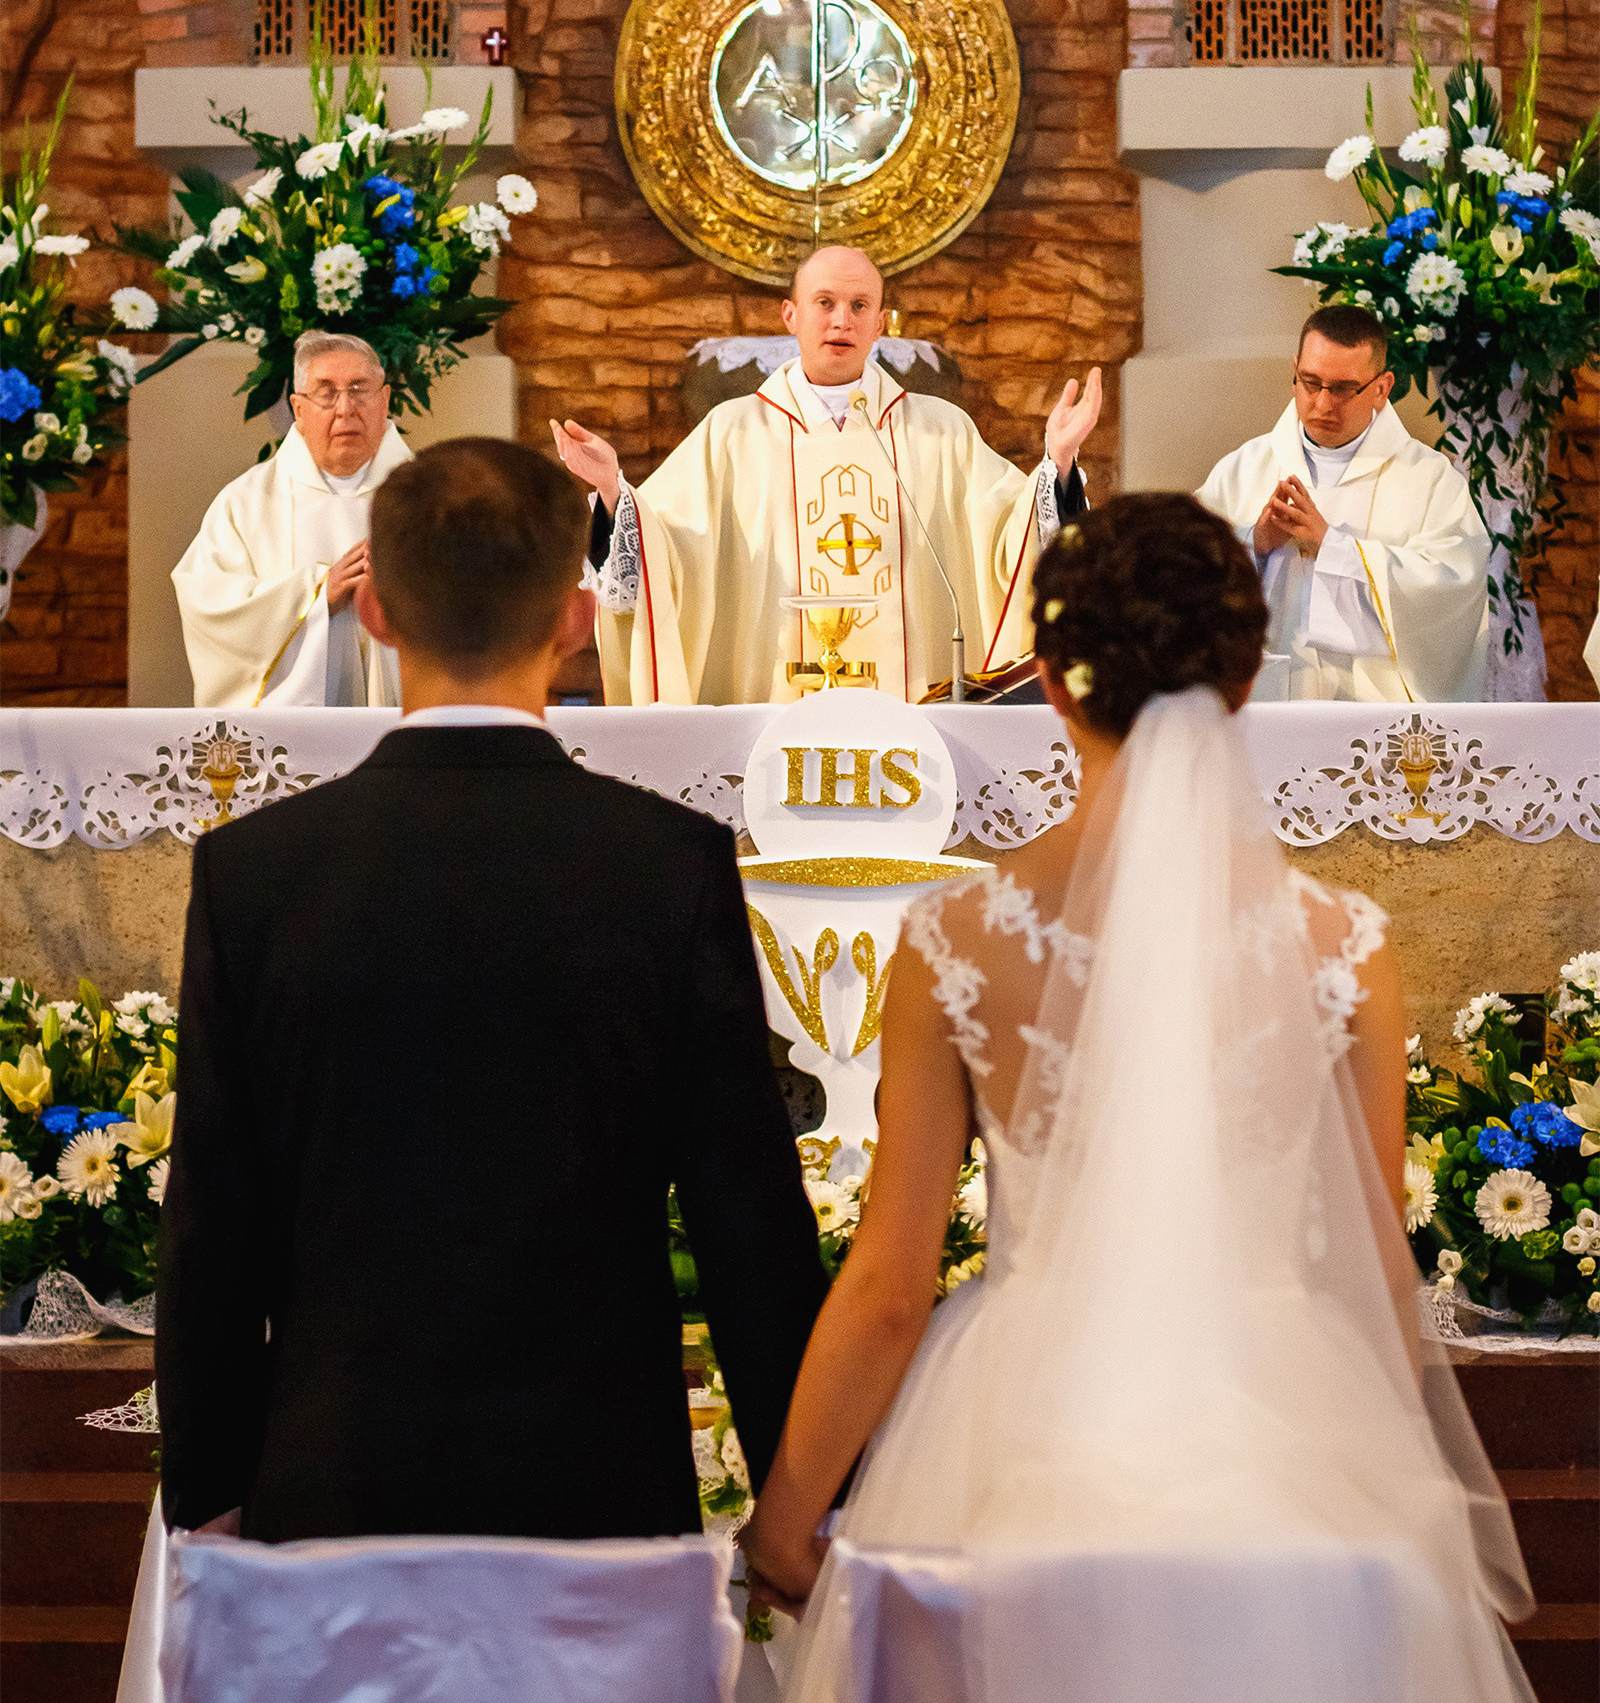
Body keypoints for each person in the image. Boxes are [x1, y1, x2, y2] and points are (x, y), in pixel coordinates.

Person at [741, 495, 1534, 1703]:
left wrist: (785, 1519)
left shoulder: (953, 935)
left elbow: (892, 1285)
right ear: (1244, 681)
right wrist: (1371, 1476)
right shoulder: (1343, 942)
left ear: (1052, 684)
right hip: (1278, 1424)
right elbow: (1375, 1270)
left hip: (1021, 1432)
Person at [157, 437, 828, 1543]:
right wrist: (801, 1507)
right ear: (575, 617)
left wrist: (212, 1499)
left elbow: (214, 1220)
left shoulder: (259, 871)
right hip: (599, 1484)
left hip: (333, 1479)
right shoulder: (666, 862)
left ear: (376, 613)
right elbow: (743, 1211)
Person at [549, 244, 1101, 704]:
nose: (842, 319)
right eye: (825, 302)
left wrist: (1058, 463)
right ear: (791, 315)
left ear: (880, 323)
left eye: (860, 305)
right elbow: (668, 549)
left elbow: (1012, 538)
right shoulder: (733, 432)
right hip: (770, 704)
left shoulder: (941, 430)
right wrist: (609, 489)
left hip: (914, 709)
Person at [1196, 303, 1490, 702]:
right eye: (1310, 382)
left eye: (1342, 389)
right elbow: (1182, 574)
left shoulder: (1430, 480)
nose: (1322, 404)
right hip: (1262, 703)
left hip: (1369, 715)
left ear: (1382, 389)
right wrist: (1254, 544)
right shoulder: (1243, 469)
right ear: (1295, 370)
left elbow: (1454, 585)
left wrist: (1333, 548)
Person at [171, 331, 411, 707]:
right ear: (298, 410)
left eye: (359, 389)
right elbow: (209, 606)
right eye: (327, 393)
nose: (345, 408)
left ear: (384, 401)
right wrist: (315, 594)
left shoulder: (432, 496)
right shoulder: (246, 502)